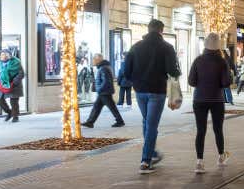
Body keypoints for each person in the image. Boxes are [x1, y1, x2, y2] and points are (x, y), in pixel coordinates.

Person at [124, 18, 182, 174]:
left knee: (147, 122)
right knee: (151, 125)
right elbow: (173, 71)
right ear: (161, 31)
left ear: (148, 29)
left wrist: (135, 81)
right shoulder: (167, 47)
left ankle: (152, 153)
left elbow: (125, 70)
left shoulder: (135, 47)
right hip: (157, 91)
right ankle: (145, 161)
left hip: (140, 90)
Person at [188, 33, 232, 173]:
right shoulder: (222, 61)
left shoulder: (198, 60)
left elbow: (191, 82)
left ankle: (199, 163)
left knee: (201, 131)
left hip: (199, 99)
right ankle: (221, 157)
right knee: (218, 129)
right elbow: (226, 83)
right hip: (216, 99)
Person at [82, 53, 124, 128]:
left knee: (111, 107)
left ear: (98, 60)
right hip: (104, 91)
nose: (93, 61)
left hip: (104, 92)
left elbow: (106, 81)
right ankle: (90, 122)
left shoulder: (103, 68)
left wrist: (99, 89)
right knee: (97, 107)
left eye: (94, 59)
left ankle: (120, 121)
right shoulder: (104, 67)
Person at [0, 50, 24, 122]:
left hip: (14, 84)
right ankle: (9, 112)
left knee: (14, 101)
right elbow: (1, 73)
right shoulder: (1, 63)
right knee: (0, 100)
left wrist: (14, 82)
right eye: (0, 55)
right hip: (2, 83)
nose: (1, 56)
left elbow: (21, 74)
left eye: (3, 55)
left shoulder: (16, 63)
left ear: (8, 55)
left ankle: (15, 116)